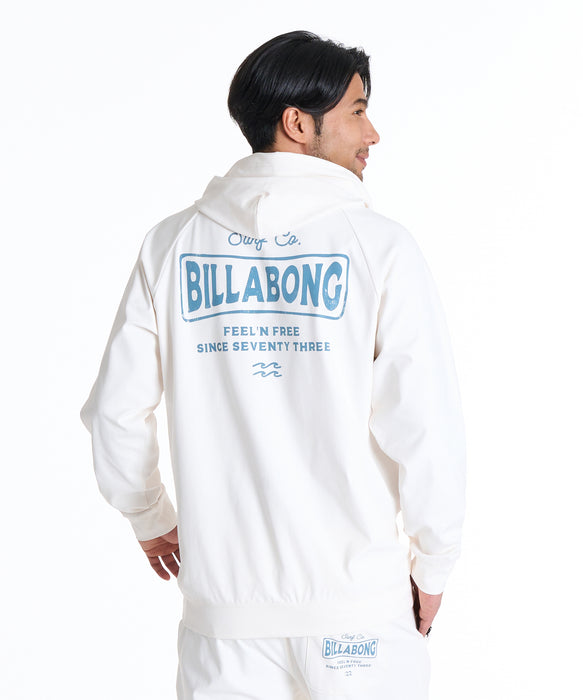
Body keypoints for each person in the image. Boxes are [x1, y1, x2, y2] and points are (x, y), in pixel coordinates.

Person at [81, 29, 466, 700]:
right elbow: (425, 423)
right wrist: (433, 563)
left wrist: (148, 514)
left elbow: (115, 411)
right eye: (357, 111)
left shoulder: (172, 245)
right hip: (357, 619)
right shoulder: (378, 248)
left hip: (224, 626)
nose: (372, 133)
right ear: (297, 123)